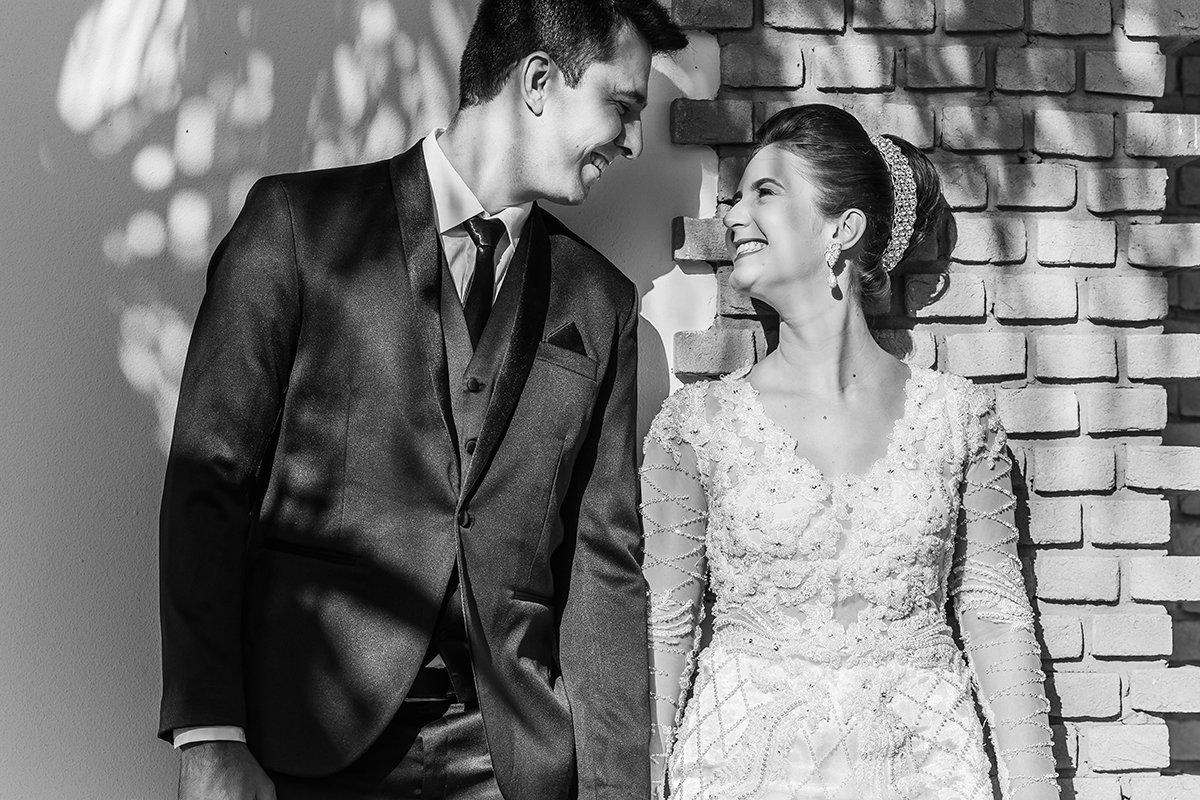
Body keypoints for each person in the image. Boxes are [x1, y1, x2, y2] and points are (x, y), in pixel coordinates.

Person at [158, 2, 687, 799]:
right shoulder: (298, 228)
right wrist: (209, 736)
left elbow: (601, 567)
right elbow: (211, 484)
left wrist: (615, 792)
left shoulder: (599, 300)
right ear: (538, 81)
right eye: (623, 105)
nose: (634, 142)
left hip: (505, 764)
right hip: (306, 744)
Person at [641, 104, 1059, 800]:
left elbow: (996, 619)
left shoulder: (958, 420)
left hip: (925, 772)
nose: (734, 216)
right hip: (741, 773)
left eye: (764, 192)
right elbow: (665, 630)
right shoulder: (695, 426)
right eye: (736, 197)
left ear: (843, 229)